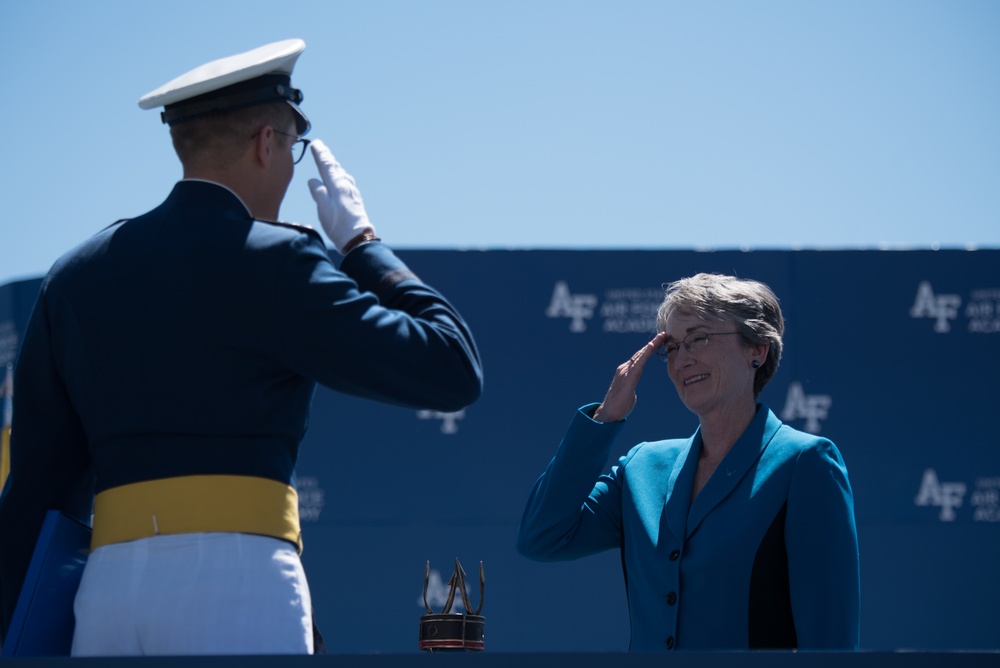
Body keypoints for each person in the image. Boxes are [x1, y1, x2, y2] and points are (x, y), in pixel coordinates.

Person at [0, 39, 482, 656]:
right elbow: (451, 366)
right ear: (266, 143)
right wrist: (362, 243)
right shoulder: (279, 260)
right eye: (292, 148)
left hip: (105, 594)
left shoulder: (74, 275)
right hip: (238, 579)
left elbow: (34, 490)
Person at [517, 273, 859, 651]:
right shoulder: (642, 467)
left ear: (757, 350)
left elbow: (830, 642)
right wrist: (605, 418)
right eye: (673, 347)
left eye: (699, 338)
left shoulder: (805, 463)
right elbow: (542, 537)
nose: (682, 360)